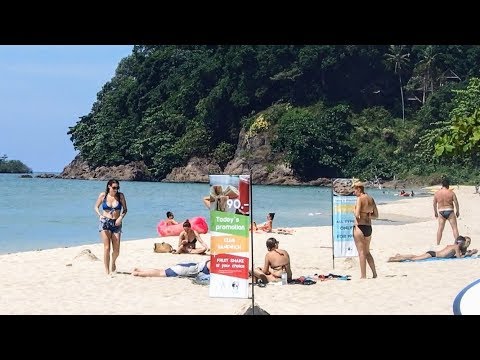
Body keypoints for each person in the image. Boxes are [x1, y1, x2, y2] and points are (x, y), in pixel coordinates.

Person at [94, 179, 128, 275]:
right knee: (107, 248)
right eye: (114, 187)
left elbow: (125, 209)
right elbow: (96, 206)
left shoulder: (120, 196)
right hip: (105, 222)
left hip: (116, 224)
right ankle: (107, 271)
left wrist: (120, 217)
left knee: (116, 250)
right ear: (109, 186)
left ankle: (113, 263)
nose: (116, 189)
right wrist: (99, 215)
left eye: (117, 188)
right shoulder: (103, 195)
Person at [353, 181, 378, 279]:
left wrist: (353, 210)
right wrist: (368, 214)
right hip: (368, 227)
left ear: (359, 189)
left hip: (360, 227)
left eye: (354, 190)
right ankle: (374, 273)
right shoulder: (371, 199)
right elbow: (376, 215)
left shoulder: (360, 199)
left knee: (361, 253)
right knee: (367, 252)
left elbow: (357, 214)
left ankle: (363, 276)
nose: (354, 192)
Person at [388, 236, 477, 262]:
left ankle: (399, 255)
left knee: (415, 256)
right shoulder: (456, 247)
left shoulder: (453, 246)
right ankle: (395, 259)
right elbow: (459, 258)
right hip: (433, 254)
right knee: (414, 259)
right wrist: (470, 254)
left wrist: (468, 252)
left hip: (433, 253)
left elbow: (459, 254)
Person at [433, 178, 460, 245]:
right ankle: (457, 244)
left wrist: (435, 212)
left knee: (440, 229)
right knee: (454, 228)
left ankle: (438, 244)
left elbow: (434, 203)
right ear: (448, 185)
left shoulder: (437, 193)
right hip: (450, 211)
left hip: (441, 212)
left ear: (442, 185)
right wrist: (457, 211)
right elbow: (456, 202)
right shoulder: (451, 192)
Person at [132, 259, 210, 277]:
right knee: (161, 273)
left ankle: (140, 270)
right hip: (186, 269)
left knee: (162, 270)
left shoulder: (211, 261)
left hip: (188, 265)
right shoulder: (212, 265)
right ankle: (138, 273)